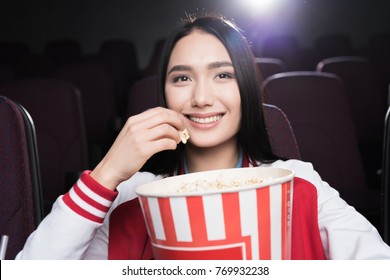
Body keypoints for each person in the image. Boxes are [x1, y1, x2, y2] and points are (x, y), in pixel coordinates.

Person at [16, 14, 390, 260]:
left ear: (245, 88)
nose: (201, 98)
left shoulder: (298, 181)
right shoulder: (129, 197)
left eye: (222, 75)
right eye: (182, 78)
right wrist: (106, 175)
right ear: (164, 94)